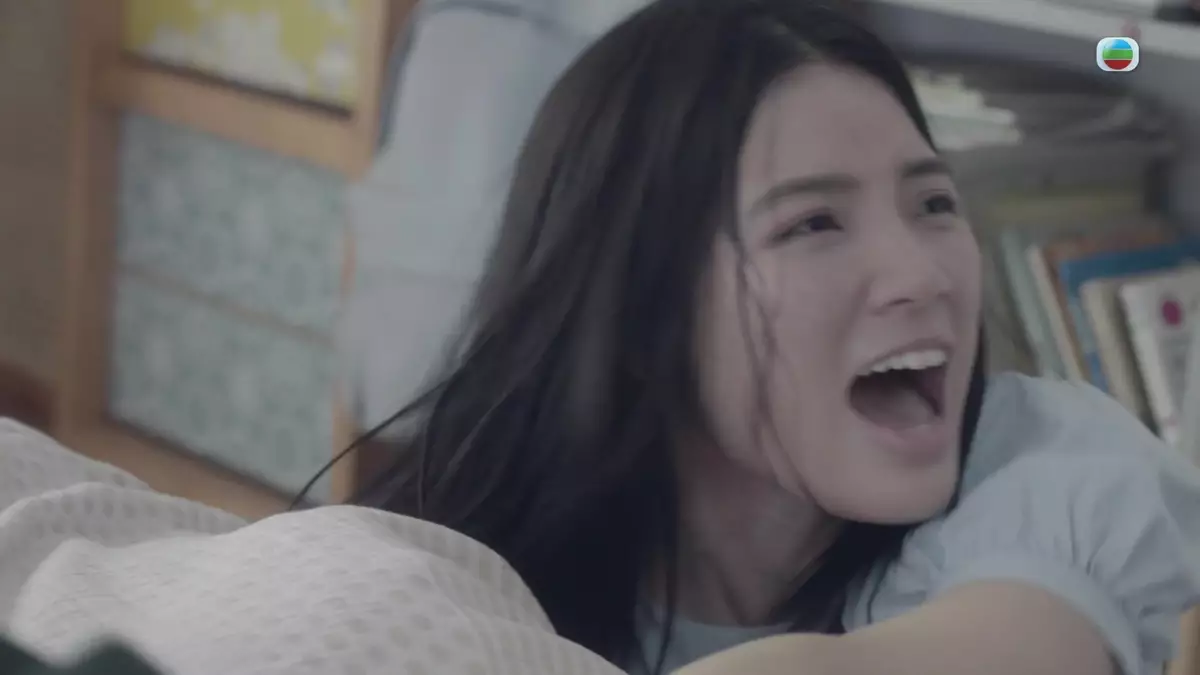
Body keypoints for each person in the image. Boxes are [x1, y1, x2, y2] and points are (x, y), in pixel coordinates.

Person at [0, 1, 1197, 674]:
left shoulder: (1052, 470)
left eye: (933, 202)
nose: (924, 272)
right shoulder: (468, 558)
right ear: (644, 306)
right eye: (815, 222)